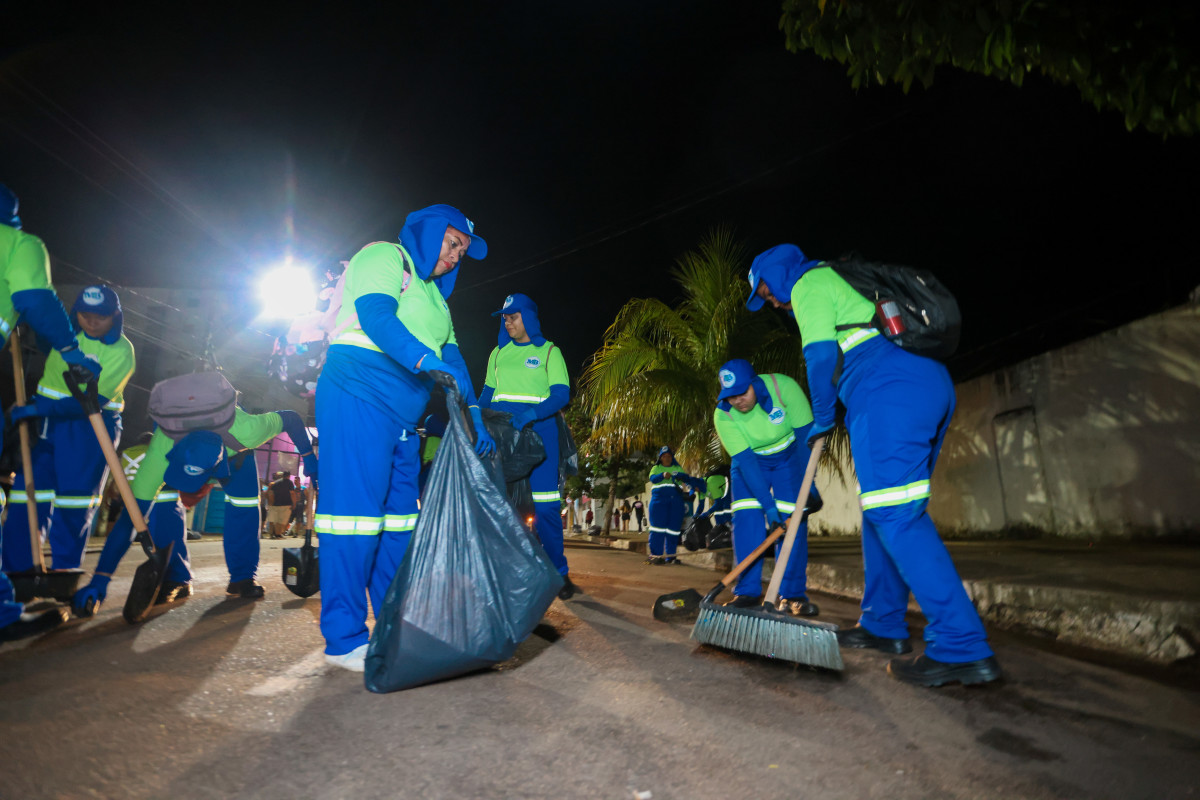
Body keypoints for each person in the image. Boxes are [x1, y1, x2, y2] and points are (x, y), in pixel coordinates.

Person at [747, 243, 1000, 687]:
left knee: (895, 516)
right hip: (922, 383)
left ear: (779, 273)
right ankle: (883, 624)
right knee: (879, 513)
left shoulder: (808, 283)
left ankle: (962, 645)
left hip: (889, 387)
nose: (770, 300)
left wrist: (823, 416)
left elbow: (821, 357)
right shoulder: (835, 281)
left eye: (767, 290)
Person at [314, 204, 494, 672]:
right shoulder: (384, 256)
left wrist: (472, 413)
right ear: (428, 232)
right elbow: (374, 315)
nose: (456, 256)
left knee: (399, 522)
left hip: (405, 411)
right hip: (359, 389)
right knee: (351, 518)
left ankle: (396, 622)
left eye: (463, 251)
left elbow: (453, 358)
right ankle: (344, 637)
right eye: (452, 242)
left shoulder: (439, 303)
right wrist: (420, 359)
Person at [72, 402, 318, 611]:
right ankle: (177, 579)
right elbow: (129, 520)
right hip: (182, 452)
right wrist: (100, 578)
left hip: (237, 457)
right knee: (164, 505)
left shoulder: (248, 431)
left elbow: (292, 418)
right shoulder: (161, 450)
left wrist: (308, 456)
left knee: (244, 507)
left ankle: (242, 577)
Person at [2, 285, 135, 576]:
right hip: (44, 425)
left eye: (100, 316)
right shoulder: (65, 336)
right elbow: (40, 324)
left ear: (115, 316)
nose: (92, 321)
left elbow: (91, 403)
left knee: (73, 502)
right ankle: (18, 572)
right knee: (28, 498)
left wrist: (37, 409)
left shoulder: (122, 351)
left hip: (89, 429)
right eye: (85, 315)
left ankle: (63, 573)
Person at [479, 293, 574, 598]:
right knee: (503, 510)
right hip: (503, 441)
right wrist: (473, 420)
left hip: (540, 439)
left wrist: (531, 414)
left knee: (546, 508)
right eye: (505, 317)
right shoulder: (497, 354)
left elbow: (561, 394)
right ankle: (506, 573)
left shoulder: (549, 352)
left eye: (514, 316)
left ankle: (559, 573)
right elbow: (485, 397)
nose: (508, 321)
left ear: (529, 318)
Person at [711, 359, 822, 613]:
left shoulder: (784, 388)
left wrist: (810, 484)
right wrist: (768, 509)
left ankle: (792, 595)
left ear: (754, 383)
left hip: (789, 459)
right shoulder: (724, 415)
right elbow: (747, 463)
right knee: (747, 522)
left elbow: (806, 437)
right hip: (751, 466)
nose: (738, 401)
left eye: (742, 392)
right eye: (731, 396)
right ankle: (747, 593)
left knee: (793, 523)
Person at [646, 446, 705, 565]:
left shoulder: (677, 468)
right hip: (659, 502)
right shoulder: (656, 468)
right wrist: (662, 475)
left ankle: (671, 557)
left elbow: (686, 480)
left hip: (676, 502)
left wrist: (694, 488)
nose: (666, 458)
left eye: (668, 456)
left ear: (671, 457)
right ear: (660, 458)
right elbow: (652, 479)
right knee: (657, 529)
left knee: (673, 530)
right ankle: (655, 555)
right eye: (664, 456)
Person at [265, 470, 294, 539]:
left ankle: (275, 534)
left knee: (274, 520)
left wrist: (270, 502)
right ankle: (275, 534)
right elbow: (292, 493)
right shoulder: (287, 483)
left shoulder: (274, 484)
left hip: (274, 504)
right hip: (279, 504)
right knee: (278, 520)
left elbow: (267, 494)